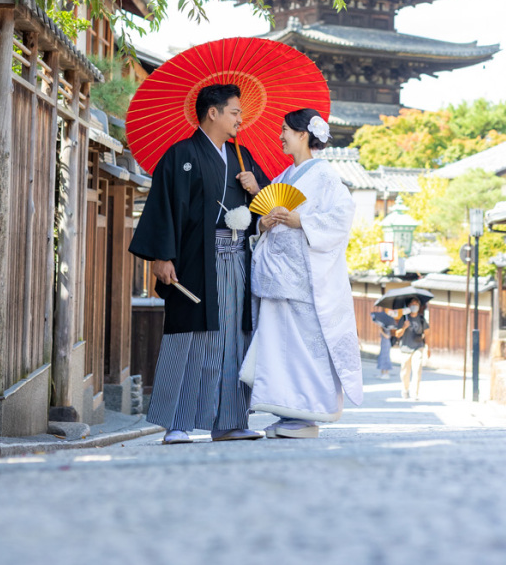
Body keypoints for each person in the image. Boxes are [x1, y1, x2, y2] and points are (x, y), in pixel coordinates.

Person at [129, 83, 270, 443]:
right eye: (235, 112)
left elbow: (269, 208)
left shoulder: (243, 158)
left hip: (237, 259)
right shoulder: (181, 155)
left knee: (233, 340)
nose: (241, 119)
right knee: (189, 337)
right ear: (213, 112)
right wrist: (162, 256)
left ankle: (230, 422)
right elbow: (164, 206)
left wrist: (257, 188)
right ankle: (176, 423)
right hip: (194, 262)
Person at [240, 108, 363, 438]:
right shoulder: (283, 178)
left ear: (303, 135)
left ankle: (307, 415)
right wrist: (262, 223)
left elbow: (341, 219)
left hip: (304, 279)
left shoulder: (324, 176)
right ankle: (287, 412)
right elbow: (266, 214)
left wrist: (302, 221)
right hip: (277, 277)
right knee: (278, 350)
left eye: (285, 131)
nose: (280, 136)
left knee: (304, 350)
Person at [395, 299, 430, 400]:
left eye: (416, 304)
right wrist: (404, 327)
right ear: (409, 306)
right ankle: (405, 389)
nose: (415, 306)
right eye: (412, 304)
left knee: (417, 370)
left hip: (418, 347)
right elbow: (397, 334)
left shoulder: (422, 319)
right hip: (405, 348)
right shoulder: (404, 319)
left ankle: (415, 393)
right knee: (405, 372)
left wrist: (428, 347)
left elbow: (427, 333)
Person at [371, 308, 399, 377]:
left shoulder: (387, 327)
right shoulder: (383, 327)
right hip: (383, 343)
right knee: (382, 357)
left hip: (386, 344)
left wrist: (381, 331)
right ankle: (382, 372)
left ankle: (386, 373)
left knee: (386, 357)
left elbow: (387, 336)